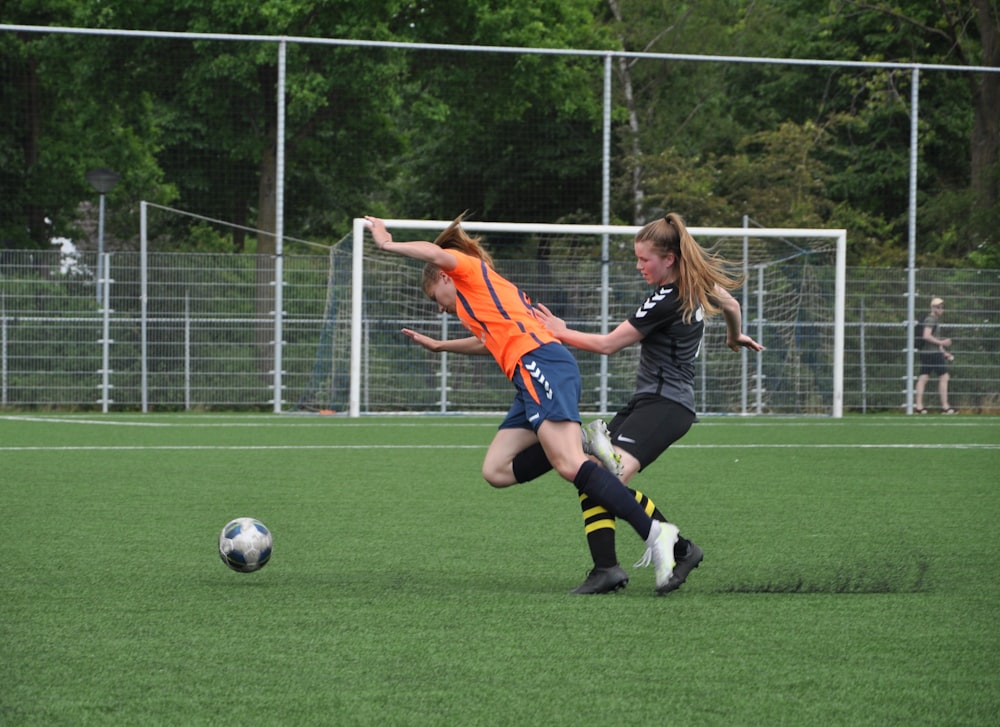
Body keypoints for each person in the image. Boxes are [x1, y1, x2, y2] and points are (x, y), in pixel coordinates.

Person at [365, 213, 681, 595]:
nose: (440, 309)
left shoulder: (469, 271)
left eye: (436, 299)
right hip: (526, 374)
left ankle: (654, 532)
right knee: (497, 470)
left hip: (540, 362)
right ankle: (581, 442)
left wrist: (386, 243)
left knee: (569, 466)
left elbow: (436, 253)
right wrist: (440, 345)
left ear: (444, 277)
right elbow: (489, 341)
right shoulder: (475, 303)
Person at [526, 213, 763, 594]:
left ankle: (676, 548)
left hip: (666, 406)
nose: (638, 266)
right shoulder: (696, 284)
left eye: (644, 259)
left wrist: (561, 331)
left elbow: (608, 345)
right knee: (591, 475)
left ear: (669, 258)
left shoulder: (668, 299)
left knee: (606, 478)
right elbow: (731, 304)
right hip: (649, 402)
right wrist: (734, 337)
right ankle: (608, 568)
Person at [914, 297, 956, 414]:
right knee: (944, 376)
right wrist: (942, 343)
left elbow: (933, 340)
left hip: (930, 353)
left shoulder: (933, 320)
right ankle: (945, 407)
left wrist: (944, 352)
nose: (940, 309)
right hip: (932, 354)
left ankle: (919, 407)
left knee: (924, 377)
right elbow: (926, 336)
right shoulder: (931, 320)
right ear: (932, 308)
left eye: (941, 307)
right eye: (937, 307)